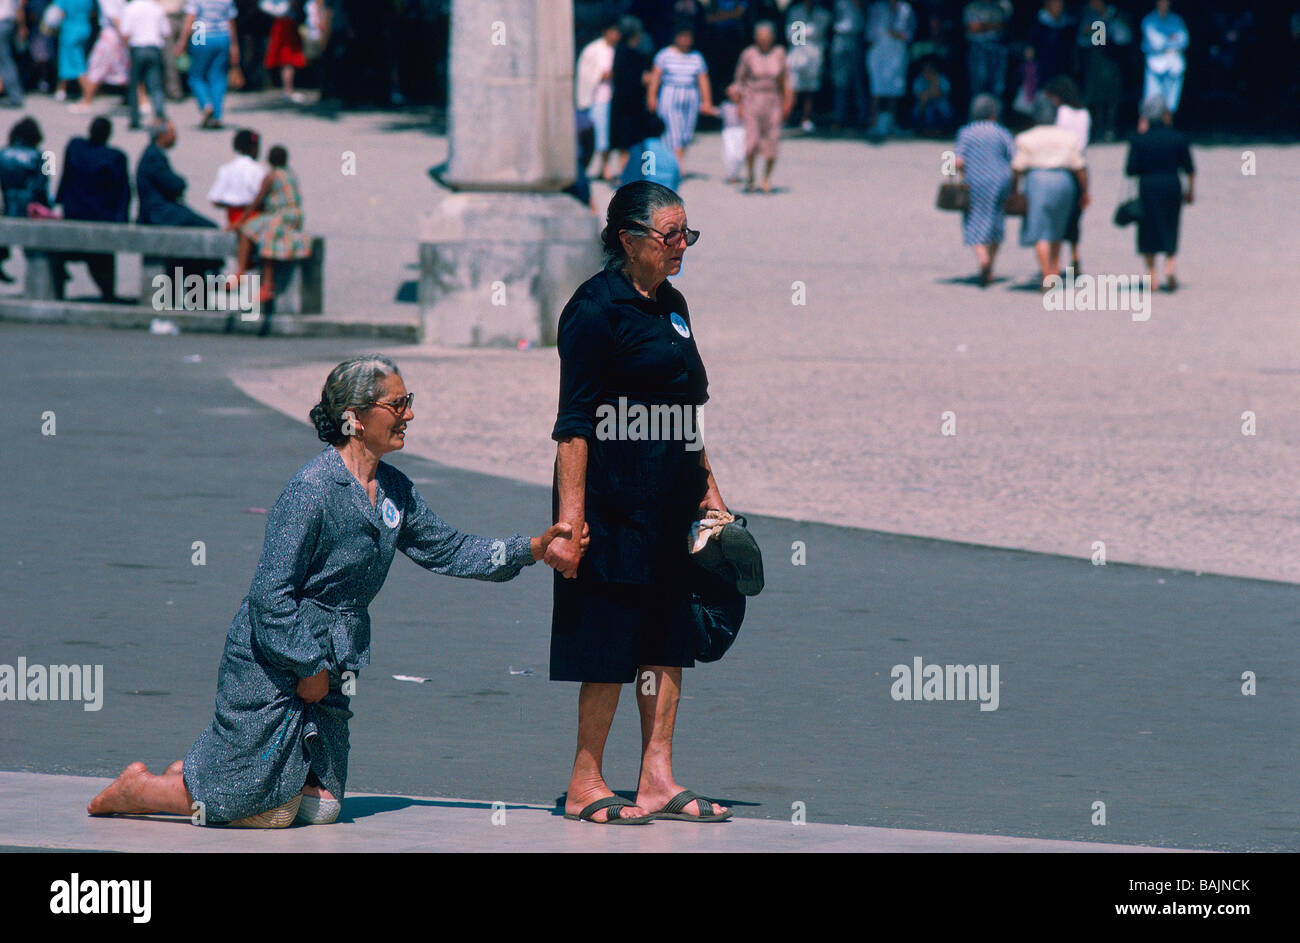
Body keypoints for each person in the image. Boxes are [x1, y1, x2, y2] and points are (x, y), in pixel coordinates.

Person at [88, 356, 578, 827]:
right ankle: (143, 788)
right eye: (397, 404)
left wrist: (533, 548)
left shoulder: (394, 490)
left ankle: (203, 775)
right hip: (274, 659)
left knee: (320, 810)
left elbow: (449, 550)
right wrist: (308, 666)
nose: (409, 414)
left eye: (408, 400)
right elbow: (270, 595)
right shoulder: (313, 488)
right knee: (265, 812)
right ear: (355, 419)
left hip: (337, 661)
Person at [549, 181, 738, 825]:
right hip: (609, 501)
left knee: (666, 638)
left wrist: (711, 494)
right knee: (607, 640)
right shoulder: (593, 310)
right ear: (628, 239)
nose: (682, 245)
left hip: (668, 501)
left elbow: (690, 410)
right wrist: (570, 523)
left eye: (688, 233)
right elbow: (573, 422)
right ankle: (585, 779)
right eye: (670, 236)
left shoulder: (673, 304)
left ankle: (656, 776)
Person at [1009, 93, 1088, 291]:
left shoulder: (1026, 138)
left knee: (1039, 229)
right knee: (1057, 227)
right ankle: (1054, 268)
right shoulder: (1069, 138)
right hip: (1064, 181)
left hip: (1037, 181)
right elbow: (1080, 168)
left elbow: (1017, 168)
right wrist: (1085, 191)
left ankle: (1046, 273)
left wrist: (1014, 190)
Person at [55, 115, 131, 300]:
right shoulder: (115, 157)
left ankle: (60, 280)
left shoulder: (75, 147)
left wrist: (58, 201)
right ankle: (108, 295)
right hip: (101, 217)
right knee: (103, 260)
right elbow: (123, 192)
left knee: (69, 254)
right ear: (108, 135)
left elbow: (64, 177)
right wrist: (122, 220)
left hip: (73, 214)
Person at [1125, 93, 1193, 292]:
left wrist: (1140, 134)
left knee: (1148, 228)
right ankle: (1170, 265)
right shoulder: (1178, 137)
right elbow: (1189, 168)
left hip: (1149, 186)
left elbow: (1130, 170)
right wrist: (1190, 191)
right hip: (1172, 184)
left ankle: (1151, 275)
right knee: (1171, 224)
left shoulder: (1139, 140)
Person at [235, 143, 309, 304]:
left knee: (254, 233)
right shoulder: (290, 175)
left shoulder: (271, 176)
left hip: (281, 215)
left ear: (269, 160)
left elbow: (257, 200)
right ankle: (254, 278)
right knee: (260, 231)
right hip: (295, 216)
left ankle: (256, 280)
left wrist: (241, 220)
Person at [953, 93, 1013, 286]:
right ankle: (991, 265)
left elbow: (958, 161)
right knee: (996, 220)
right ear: (993, 113)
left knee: (973, 219)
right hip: (1001, 181)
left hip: (975, 181)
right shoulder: (1001, 132)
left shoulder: (966, 132)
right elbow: (1014, 156)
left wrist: (957, 175)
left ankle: (983, 259)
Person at [732, 20, 791, 193]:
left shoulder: (779, 53)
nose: (764, 40)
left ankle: (766, 178)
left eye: (767, 37)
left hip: (773, 100)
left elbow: (786, 80)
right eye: (761, 37)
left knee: (773, 140)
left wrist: (787, 102)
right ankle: (750, 176)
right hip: (752, 99)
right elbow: (739, 80)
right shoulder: (748, 54)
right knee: (751, 142)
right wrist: (739, 104)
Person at [647, 24, 716, 165]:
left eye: (688, 37)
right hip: (670, 93)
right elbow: (655, 77)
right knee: (673, 130)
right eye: (682, 36)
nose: (685, 40)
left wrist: (706, 101)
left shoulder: (696, 57)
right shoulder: (664, 54)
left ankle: (675, 162)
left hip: (690, 94)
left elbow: (703, 79)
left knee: (686, 132)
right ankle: (677, 165)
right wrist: (652, 97)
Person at [1045, 75, 1089, 274]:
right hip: (1081, 164)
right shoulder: (1084, 114)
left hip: (1063, 165)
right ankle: (1075, 254)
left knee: (1058, 215)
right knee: (1075, 216)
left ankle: (1055, 260)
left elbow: (1056, 138)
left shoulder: (1061, 112)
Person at [176, 0, 239, 129]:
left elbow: (190, 18)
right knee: (218, 76)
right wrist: (234, 44)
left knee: (195, 75)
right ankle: (216, 115)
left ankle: (205, 104)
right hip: (222, 36)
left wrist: (182, 42)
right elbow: (231, 21)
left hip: (200, 33)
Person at [0, 115, 48, 280]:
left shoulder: (3, 153)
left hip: (8, 201)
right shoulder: (45, 156)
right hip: (30, 203)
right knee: (33, 244)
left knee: (5, 237)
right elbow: (44, 184)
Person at [1076, 0, 1130, 143]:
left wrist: (1106, 31)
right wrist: (1089, 32)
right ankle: (1098, 128)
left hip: (1112, 61)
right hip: (1095, 61)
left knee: (1112, 97)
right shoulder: (1088, 16)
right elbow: (1083, 40)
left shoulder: (1116, 15)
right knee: (1096, 96)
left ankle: (1110, 128)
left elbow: (1124, 37)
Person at [608, 15, 653, 179]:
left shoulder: (620, 52)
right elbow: (630, 80)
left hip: (623, 104)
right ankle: (627, 176)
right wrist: (644, 79)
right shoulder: (631, 55)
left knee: (626, 144)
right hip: (629, 106)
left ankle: (627, 175)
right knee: (629, 143)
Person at [575, 18, 620, 181]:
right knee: (598, 133)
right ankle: (597, 166)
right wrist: (600, 75)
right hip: (597, 97)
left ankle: (605, 166)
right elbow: (586, 73)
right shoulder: (593, 50)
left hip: (612, 97)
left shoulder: (616, 50)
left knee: (608, 134)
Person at [865, 0, 915, 138]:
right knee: (876, 89)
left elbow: (909, 34)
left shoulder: (906, 9)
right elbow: (870, 33)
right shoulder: (876, 8)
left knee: (895, 89)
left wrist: (897, 35)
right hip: (879, 53)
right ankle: (874, 124)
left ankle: (891, 124)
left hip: (897, 53)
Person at [73, 0, 131, 112]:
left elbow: (115, 18)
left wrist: (124, 38)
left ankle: (86, 100)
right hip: (117, 34)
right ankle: (140, 100)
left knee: (97, 67)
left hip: (112, 35)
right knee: (124, 68)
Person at [120, 0, 169, 129]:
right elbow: (165, 31)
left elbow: (125, 33)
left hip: (137, 47)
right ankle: (159, 116)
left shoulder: (130, 8)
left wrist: (127, 50)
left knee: (134, 85)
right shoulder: (157, 8)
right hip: (154, 47)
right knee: (155, 86)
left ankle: (135, 118)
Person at [784, 0, 832, 133]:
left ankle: (806, 119)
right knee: (792, 87)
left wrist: (804, 32)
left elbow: (820, 30)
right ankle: (786, 118)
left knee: (810, 89)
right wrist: (810, 33)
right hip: (796, 53)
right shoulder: (795, 11)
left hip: (814, 54)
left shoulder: (822, 13)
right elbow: (792, 36)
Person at [207, 126, 263, 226]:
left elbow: (215, 199)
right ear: (254, 148)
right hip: (254, 217)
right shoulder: (258, 170)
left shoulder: (226, 169)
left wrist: (232, 202)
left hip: (232, 217)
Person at [1140, 0, 1187, 114]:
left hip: (1175, 62)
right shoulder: (1149, 20)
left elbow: (1184, 40)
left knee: (1171, 98)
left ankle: (1167, 127)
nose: (1164, 4)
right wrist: (1171, 39)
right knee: (1151, 96)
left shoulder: (1177, 20)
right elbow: (1156, 43)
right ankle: (1145, 127)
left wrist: (1167, 40)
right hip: (1155, 62)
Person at [829, 0, 867, 131]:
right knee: (839, 81)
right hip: (839, 37)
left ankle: (862, 118)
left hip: (855, 37)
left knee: (858, 81)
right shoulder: (837, 2)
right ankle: (839, 118)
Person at [620, 112, 680, 192]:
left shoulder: (638, 150)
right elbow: (676, 179)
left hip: (644, 198)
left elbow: (628, 179)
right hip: (666, 196)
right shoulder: (669, 152)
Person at [963, 0, 1011, 102]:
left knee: (997, 85)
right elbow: (973, 27)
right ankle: (977, 114)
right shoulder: (972, 7)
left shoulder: (999, 7)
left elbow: (1001, 26)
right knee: (978, 83)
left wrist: (983, 25)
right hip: (977, 49)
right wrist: (991, 25)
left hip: (997, 48)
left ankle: (994, 114)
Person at [262, 0, 305, 103]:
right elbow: (264, 5)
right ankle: (288, 91)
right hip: (283, 25)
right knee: (287, 59)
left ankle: (288, 90)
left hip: (288, 24)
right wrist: (282, 10)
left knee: (288, 60)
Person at [53, 0, 95, 102]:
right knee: (71, 61)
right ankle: (61, 89)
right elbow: (92, 12)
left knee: (76, 63)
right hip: (84, 28)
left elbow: (57, 12)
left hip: (70, 31)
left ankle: (88, 92)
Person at [1029, 0, 1074, 86]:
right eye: (1055, 3)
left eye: (1061, 3)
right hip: (1042, 72)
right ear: (1047, 4)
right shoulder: (1037, 25)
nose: (1059, 5)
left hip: (1061, 71)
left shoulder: (1067, 25)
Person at [911, 57, 952, 134]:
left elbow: (941, 94)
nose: (928, 71)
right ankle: (923, 128)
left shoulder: (942, 79)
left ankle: (944, 129)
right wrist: (929, 94)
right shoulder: (919, 80)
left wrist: (934, 81)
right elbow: (920, 96)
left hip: (938, 102)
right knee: (922, 107)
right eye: (925, 69)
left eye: (930, 68)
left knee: (943, 106)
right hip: (924, 103)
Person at [0, 0, 28, 107]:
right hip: (9, 22)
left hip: (3, 22)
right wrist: (22, 25)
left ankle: (15, 96)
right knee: (5, 61)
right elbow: (19, 6)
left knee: (5, 61)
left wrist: (22, 26)